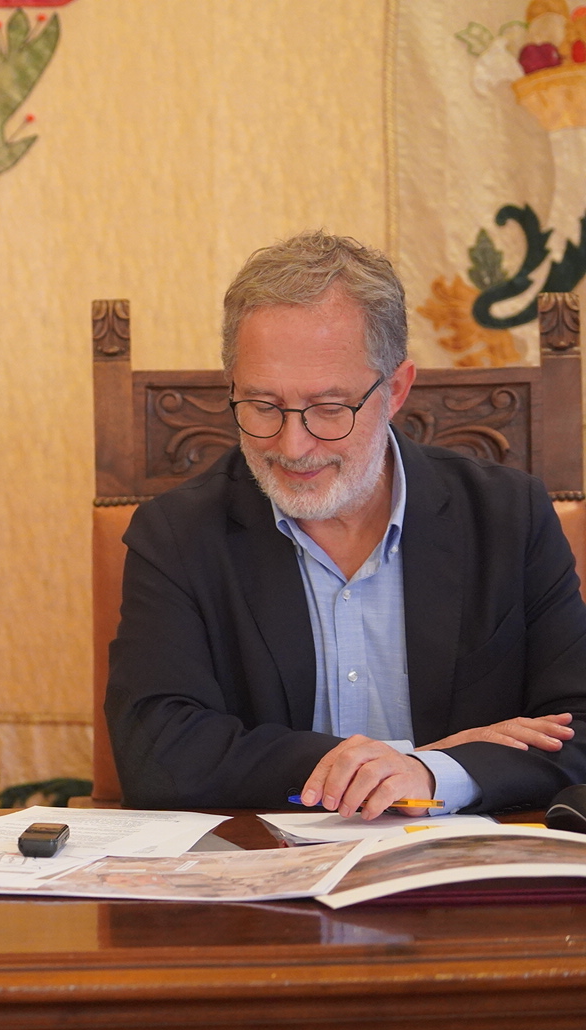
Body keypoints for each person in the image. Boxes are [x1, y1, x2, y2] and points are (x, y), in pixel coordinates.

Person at [106, 231, 586, 819]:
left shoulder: (508, 515)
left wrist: (433, 777)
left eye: (330, 409)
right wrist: (405, 763)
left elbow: (578, 728)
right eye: (262, 405)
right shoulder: (176, 535)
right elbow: (155, 754)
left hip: (461, 865)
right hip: (266, 867)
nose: (292, 445)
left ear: (396, 389)